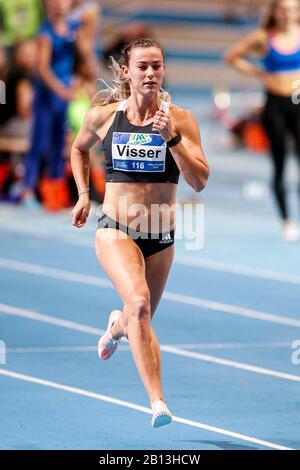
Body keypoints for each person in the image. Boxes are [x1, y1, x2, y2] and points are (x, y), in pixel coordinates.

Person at [71, 38, 209, 427]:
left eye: (157, 66)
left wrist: (173, 141)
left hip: (160, 239)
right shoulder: (104, 115)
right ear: (126, 72)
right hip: (116, 229)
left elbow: (199, 181)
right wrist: (84, 195)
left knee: (136, 318)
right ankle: (158, 403)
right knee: (141, 304)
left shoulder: (180, 120)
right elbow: (78, 149)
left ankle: (115, 327)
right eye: (143, 66)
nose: (151, 73)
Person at [225, 0, 300, 242]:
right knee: (279, 163)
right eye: (283, 9)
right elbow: (231, 56)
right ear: (275, 12)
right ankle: (287, 220)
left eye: (292, 9)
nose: (287, 14)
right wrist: (258, 73)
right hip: (275, 105)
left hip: (298, 102)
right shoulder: (263, 37)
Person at [22, 0, 82, 210]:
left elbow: (80, 60)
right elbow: (42, 68)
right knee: (39, 142)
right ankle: (28, 188)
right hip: (48, 96)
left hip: (65, 95)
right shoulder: (45, 32)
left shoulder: (74, 28)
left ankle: (56, 188)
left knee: (60, 143)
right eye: (54, 1)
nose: (59, 4)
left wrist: (76, 81)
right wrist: (61, 90)